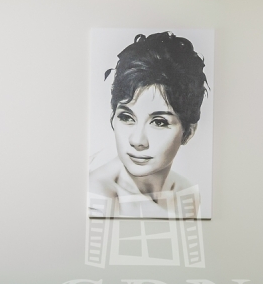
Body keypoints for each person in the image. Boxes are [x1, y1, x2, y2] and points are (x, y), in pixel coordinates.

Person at [89, 32, 208, 218]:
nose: (137, 141)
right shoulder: (96, 199)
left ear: (189, 132)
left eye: (159, 122)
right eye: (127, 117)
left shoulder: (187, 194)